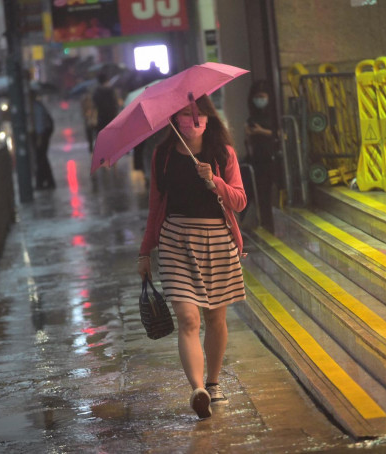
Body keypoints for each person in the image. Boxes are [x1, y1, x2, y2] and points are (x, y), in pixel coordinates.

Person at [137, 95, 247, 420]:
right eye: (184, 114)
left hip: (217, 240)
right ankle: (198, 389)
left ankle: (213, 382)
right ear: (175, 119)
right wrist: (145, 252)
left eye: (197, 113)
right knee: (188, 319)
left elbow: (239, 201)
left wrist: (214, 182)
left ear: (208, 117)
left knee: (215, 319)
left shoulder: (222, 153)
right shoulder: (164, 156)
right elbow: (155, 205)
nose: (192, 120)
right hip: (175, 241)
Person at [244, 80, 277, 233]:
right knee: (260, 193)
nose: (259, 100)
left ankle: (269, 223)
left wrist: (261, 131)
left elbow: (282, 135)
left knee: (269, 193)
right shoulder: (252, 117)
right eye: (256, 97)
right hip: (257, 160)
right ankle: (264, 223)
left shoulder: (274, 115)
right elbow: (249, 143)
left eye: (262, 96)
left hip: (273, 159)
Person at [32, 92, 56, 189]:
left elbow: (40, 125)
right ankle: (47, 181)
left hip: (42, 136)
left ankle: (43, 182)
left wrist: (39, 138)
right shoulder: (37, 105)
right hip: (43, 135)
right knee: (42, 158)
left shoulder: (35, 106)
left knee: (41, 158)